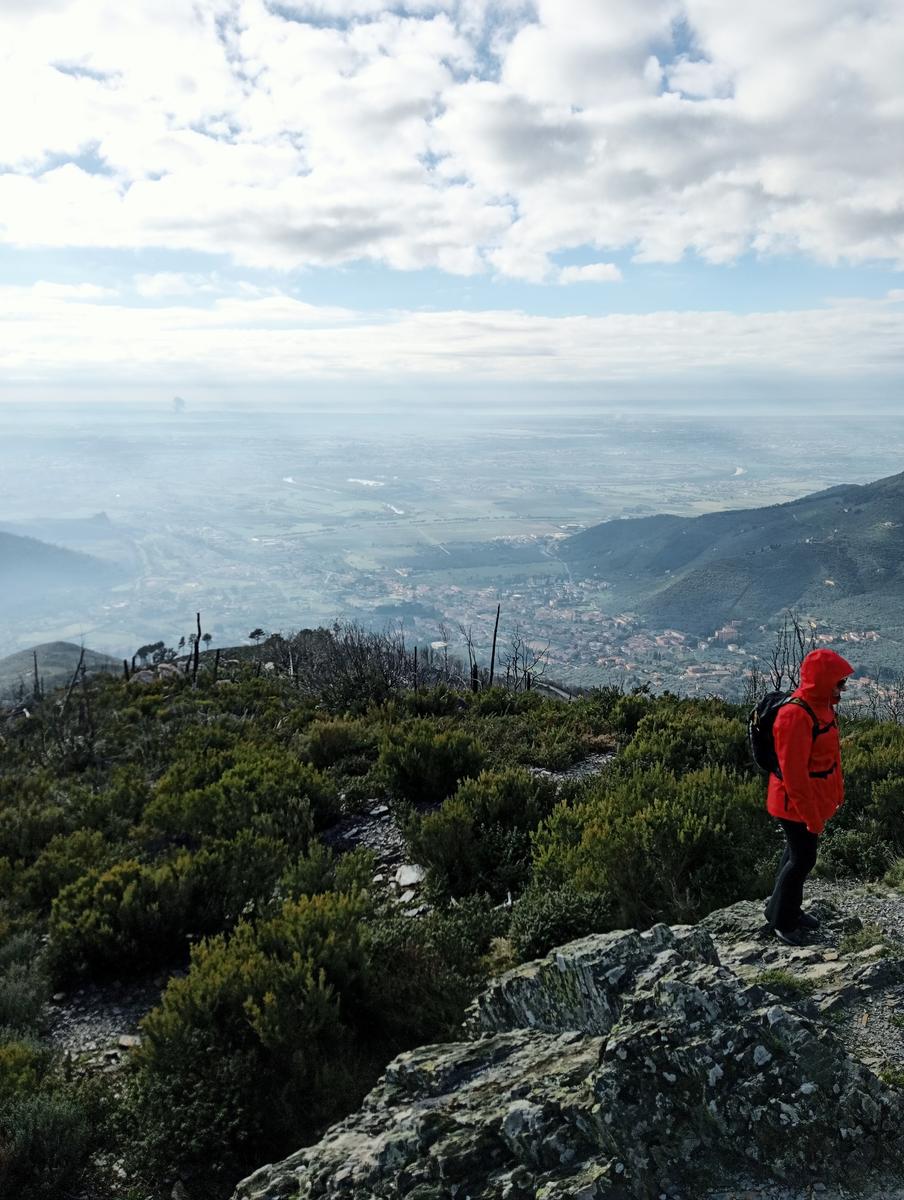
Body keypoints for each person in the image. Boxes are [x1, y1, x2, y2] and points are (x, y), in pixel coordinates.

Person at [764, 647, 854, 946]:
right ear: (823, 681)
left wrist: (836, 792)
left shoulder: (823, 706)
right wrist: (811, 817)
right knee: (803, 859)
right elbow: (795, 776)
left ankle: (783, 908)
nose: (843, 688)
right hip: (794, 804)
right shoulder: (795, 715)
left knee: (794, 855)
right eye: (839, 683)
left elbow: (831, 759)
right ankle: (782, 922)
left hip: (811, 800)